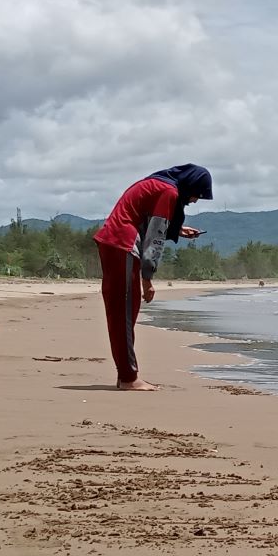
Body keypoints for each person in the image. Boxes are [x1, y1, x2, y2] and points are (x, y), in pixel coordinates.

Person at [94, 164, 211, 390]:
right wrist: (147, 280)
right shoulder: (169, 192)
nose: (195, 200)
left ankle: (126, 375)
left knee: (124, 312)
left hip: (115, 242)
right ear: (190, 186)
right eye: (197, 194)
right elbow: (154, 239)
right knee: (124, 314)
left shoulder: (158, 184)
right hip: (123, 244)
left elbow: (144, 219)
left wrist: (177, 230)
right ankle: (129, 378)